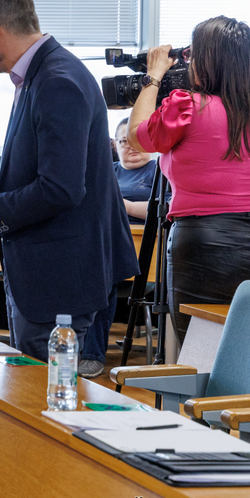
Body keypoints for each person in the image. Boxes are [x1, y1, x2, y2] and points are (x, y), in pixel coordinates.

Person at [0, 0, 138, 362]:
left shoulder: (56, 81)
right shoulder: (42, 74)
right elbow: (44, 175)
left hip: (59, 279)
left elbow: (60, 189)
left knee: (43, 394)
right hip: (49, 274)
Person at [128, 15, 250, 344]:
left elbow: (137, 138)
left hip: (205, 243)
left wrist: (153, 78)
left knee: (202, 349)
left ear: (206, 60)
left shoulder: (187, 105)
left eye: (191, 54)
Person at [79, 117, 166, 378]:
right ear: (114, 146)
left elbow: (167, 208)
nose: (131, 147)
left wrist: (123, 205)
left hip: (142, 254)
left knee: (103, 276)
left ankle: (92, 355)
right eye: (124, 141)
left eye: (137, 140)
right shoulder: (105, 172)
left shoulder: (160, 171)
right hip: (97, 245)